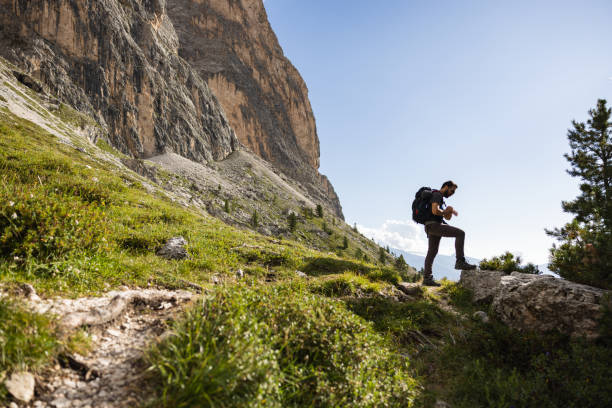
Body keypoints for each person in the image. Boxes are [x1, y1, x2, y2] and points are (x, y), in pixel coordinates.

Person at [423, 180, 476, 286]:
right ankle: (460, 261)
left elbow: (442, 215)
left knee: (432, 251)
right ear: (446, 187)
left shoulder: (439, 198)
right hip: (434, 226)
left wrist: (449, 211)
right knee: (460, 233)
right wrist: (445, 212)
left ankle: (427, 278)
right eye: (452, 191)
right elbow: (434, 210)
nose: (452, 194)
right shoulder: (437, 195)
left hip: (430, 226)